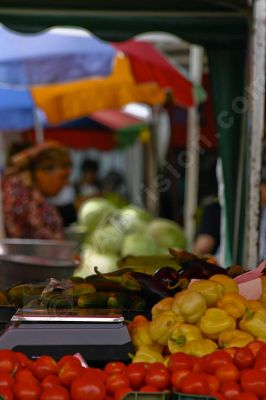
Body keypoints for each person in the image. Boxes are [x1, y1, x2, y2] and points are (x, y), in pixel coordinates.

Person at [3, 141, 72, 240]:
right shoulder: (18, 194)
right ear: (41, 173)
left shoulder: (31, 195)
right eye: (63, 177)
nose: (66, 184)